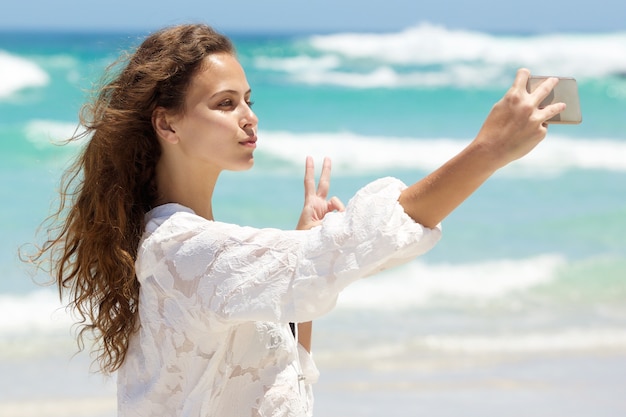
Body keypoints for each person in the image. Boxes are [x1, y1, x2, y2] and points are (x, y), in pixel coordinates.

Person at [26, 23, 565, 417]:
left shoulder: (190, 248)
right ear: (166, 123)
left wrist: (305, 251)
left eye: (249, 100)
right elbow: (353, 248)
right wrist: (488, 150)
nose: (249, 116)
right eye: (225, 103)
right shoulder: (181, 249)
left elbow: (286, 384)